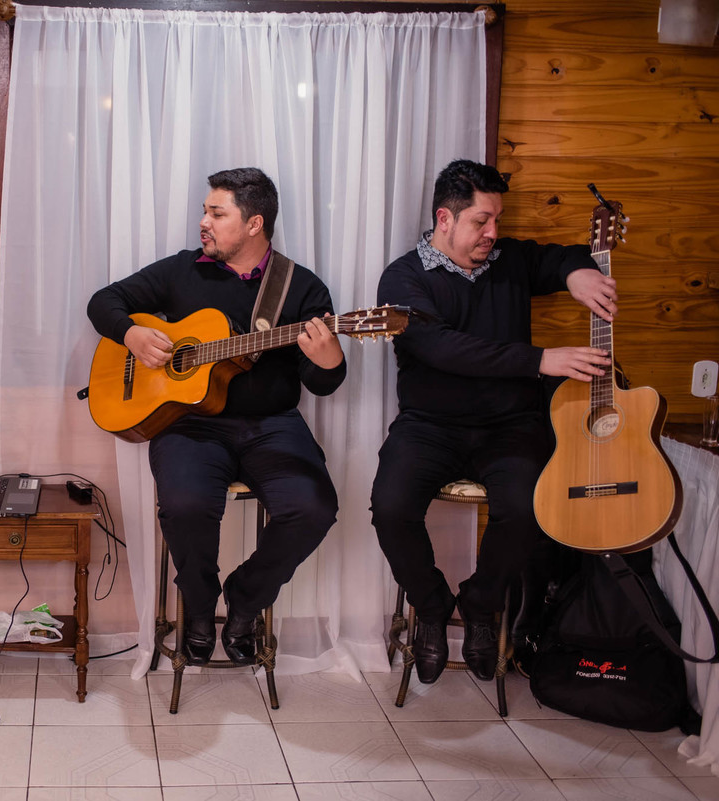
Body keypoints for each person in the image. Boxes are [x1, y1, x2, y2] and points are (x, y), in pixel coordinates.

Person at [371, 159, 617, 684]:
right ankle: (433, 610)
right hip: (429, 425)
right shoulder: (403, 277)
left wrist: (577, 273)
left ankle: (481, 607)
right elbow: (438, 347)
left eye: (497, 220)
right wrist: (538, 360)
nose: (493, 233)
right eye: (482, 221)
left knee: (532, 510)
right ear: (445, 219)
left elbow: (562, 256)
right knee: (389, 509)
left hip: (510, 426)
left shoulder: (510, 260)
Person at [87, 167, 346, 665]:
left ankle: (246, 600)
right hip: (190, 425)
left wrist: (330, 359)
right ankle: (200, 607)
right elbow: (105, 301)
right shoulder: (184, 270)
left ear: (254, 224)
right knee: (184, 507)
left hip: (272, 425)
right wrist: (131, 334)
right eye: (206, 210)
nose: (203, 221)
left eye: (216, 213)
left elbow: (323, 383)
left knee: (314, 508)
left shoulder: (300, 288)